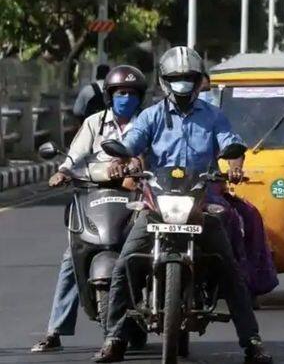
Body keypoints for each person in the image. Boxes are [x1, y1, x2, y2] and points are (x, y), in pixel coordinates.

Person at [92, 46, 272, 364]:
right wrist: (121, 158)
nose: (183, 84)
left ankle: (253, 342)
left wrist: (235, 163)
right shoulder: (151, 116)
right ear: (164, 81)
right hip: (156, 202)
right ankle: (114, 338)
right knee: (125, 263)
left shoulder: (213, 115)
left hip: (202, 202)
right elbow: (131, 142)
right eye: (176, 79)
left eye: (188, 78)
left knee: (230, 268)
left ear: (199, 80)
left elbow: (230, 142)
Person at [31, 65, 147, 353]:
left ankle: (160, 308)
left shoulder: (146, 123)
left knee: (148, 250)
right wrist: (63, 172)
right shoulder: (95, 123)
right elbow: (75, 154)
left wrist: (137, 169)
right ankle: (55, 330)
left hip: (132, 197)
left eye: (132, 93)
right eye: (121, 93)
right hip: (92, 194)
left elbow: (148, 157)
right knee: (73, 256)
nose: (126, 98)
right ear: (110, 95)